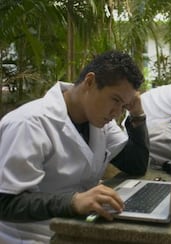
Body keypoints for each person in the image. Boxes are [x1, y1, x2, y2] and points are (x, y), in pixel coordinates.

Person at [0, 50, 150, 243]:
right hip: (34, 236)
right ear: (90, 82)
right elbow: (5, 202)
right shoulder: (28, 124)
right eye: (115, 100)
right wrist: (73, 201)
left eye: (124, 106)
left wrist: (137, 115)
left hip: (78, 229)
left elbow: (135, 164)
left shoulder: (99, 122)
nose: (117, 112)